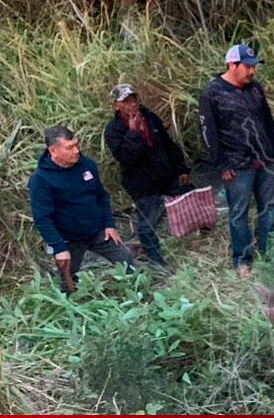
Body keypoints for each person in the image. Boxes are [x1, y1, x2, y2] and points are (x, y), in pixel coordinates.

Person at [199, 44, 274, 279]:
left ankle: (269, 255)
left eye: (253, 67)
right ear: (231, 65)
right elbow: (208, 132)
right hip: (237, 165)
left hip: (264, 160)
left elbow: (267, 120)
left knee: (270, 208)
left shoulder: (255, 88)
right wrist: (222, 164)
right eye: (247, 67)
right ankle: (242, 260)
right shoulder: (212, 92)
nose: (252, 71)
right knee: (239, 213)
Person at [29, 126, 135, 293]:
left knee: (125, 257)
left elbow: (101, 196)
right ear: (53, 151)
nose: (76, 151)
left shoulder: (87, 165)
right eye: (69, 148)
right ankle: (72, 311)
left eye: (76, 145)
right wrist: (59, 248)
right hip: (68, 240)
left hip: (97, 231)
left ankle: (137, 294)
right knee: (67, 279)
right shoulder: (41, 180)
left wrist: (109, 224)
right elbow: (42, 218)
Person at [104, 84, 192, 271]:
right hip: (141, 183)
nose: (132, 104)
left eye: (134, 99)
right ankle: (155, 260)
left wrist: (181, 169)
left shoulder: (149, 117)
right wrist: (133, 133)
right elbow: (126, 158)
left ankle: (196, 237)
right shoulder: (113, 130)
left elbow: (167, 144)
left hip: (165, 174)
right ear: (116, 106)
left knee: (190, 195)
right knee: (147, 222)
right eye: (126, 102)